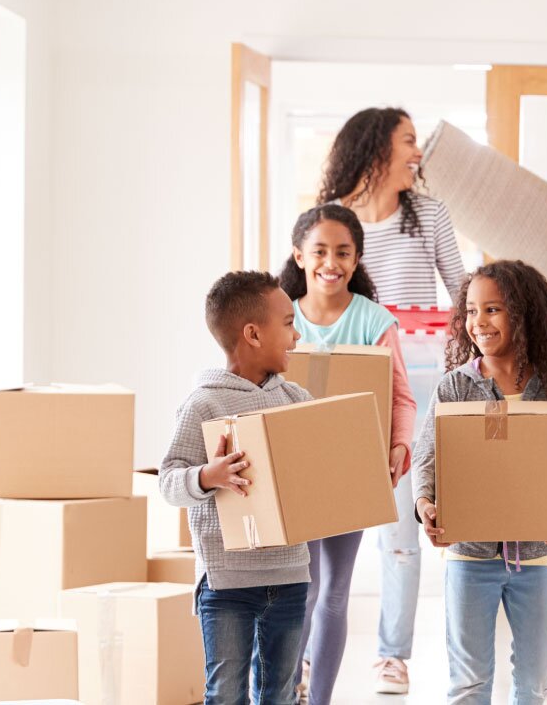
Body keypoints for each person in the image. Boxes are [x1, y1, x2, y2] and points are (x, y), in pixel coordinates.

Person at [318, 106, 468, 696]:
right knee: (324, 518)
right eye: (408, 141)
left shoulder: (428, 214)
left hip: (419, 383)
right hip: (350, 382)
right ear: (377, 148)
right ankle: (309, 650)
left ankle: (392, 655)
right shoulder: (335, 225)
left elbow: (462, 295)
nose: (418, 152)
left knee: (402, 527)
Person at [413, 260, 547, 705]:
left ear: (524, 314)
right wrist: (424, 501)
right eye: (471, 311)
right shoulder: (455, 387)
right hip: (469, 557)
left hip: (535, 557)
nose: (479, 322)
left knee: (534, 681)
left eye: (492, 309)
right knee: (469, 682)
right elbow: (427, 455)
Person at [278, 205, 418, 705]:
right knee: (304, 591)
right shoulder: (280, 316)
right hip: (293, 475)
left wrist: (400, 446)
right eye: (319, 251)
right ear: (300, 256)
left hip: (352, 473)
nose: (330, 263)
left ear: (357, 259)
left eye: (343, 252)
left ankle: (318, 700)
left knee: (334, 593)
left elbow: (401, 396)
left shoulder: (374, 322)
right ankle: (285, 692)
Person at [159, 270, 313, 705]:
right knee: (226, 694)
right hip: (227, 583)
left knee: (281, 692)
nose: (296, 335)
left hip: (289, 575)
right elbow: (169, 482)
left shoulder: (296, 400)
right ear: (252, 333)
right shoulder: (204, 403)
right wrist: (209, 476)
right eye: (287, 323)